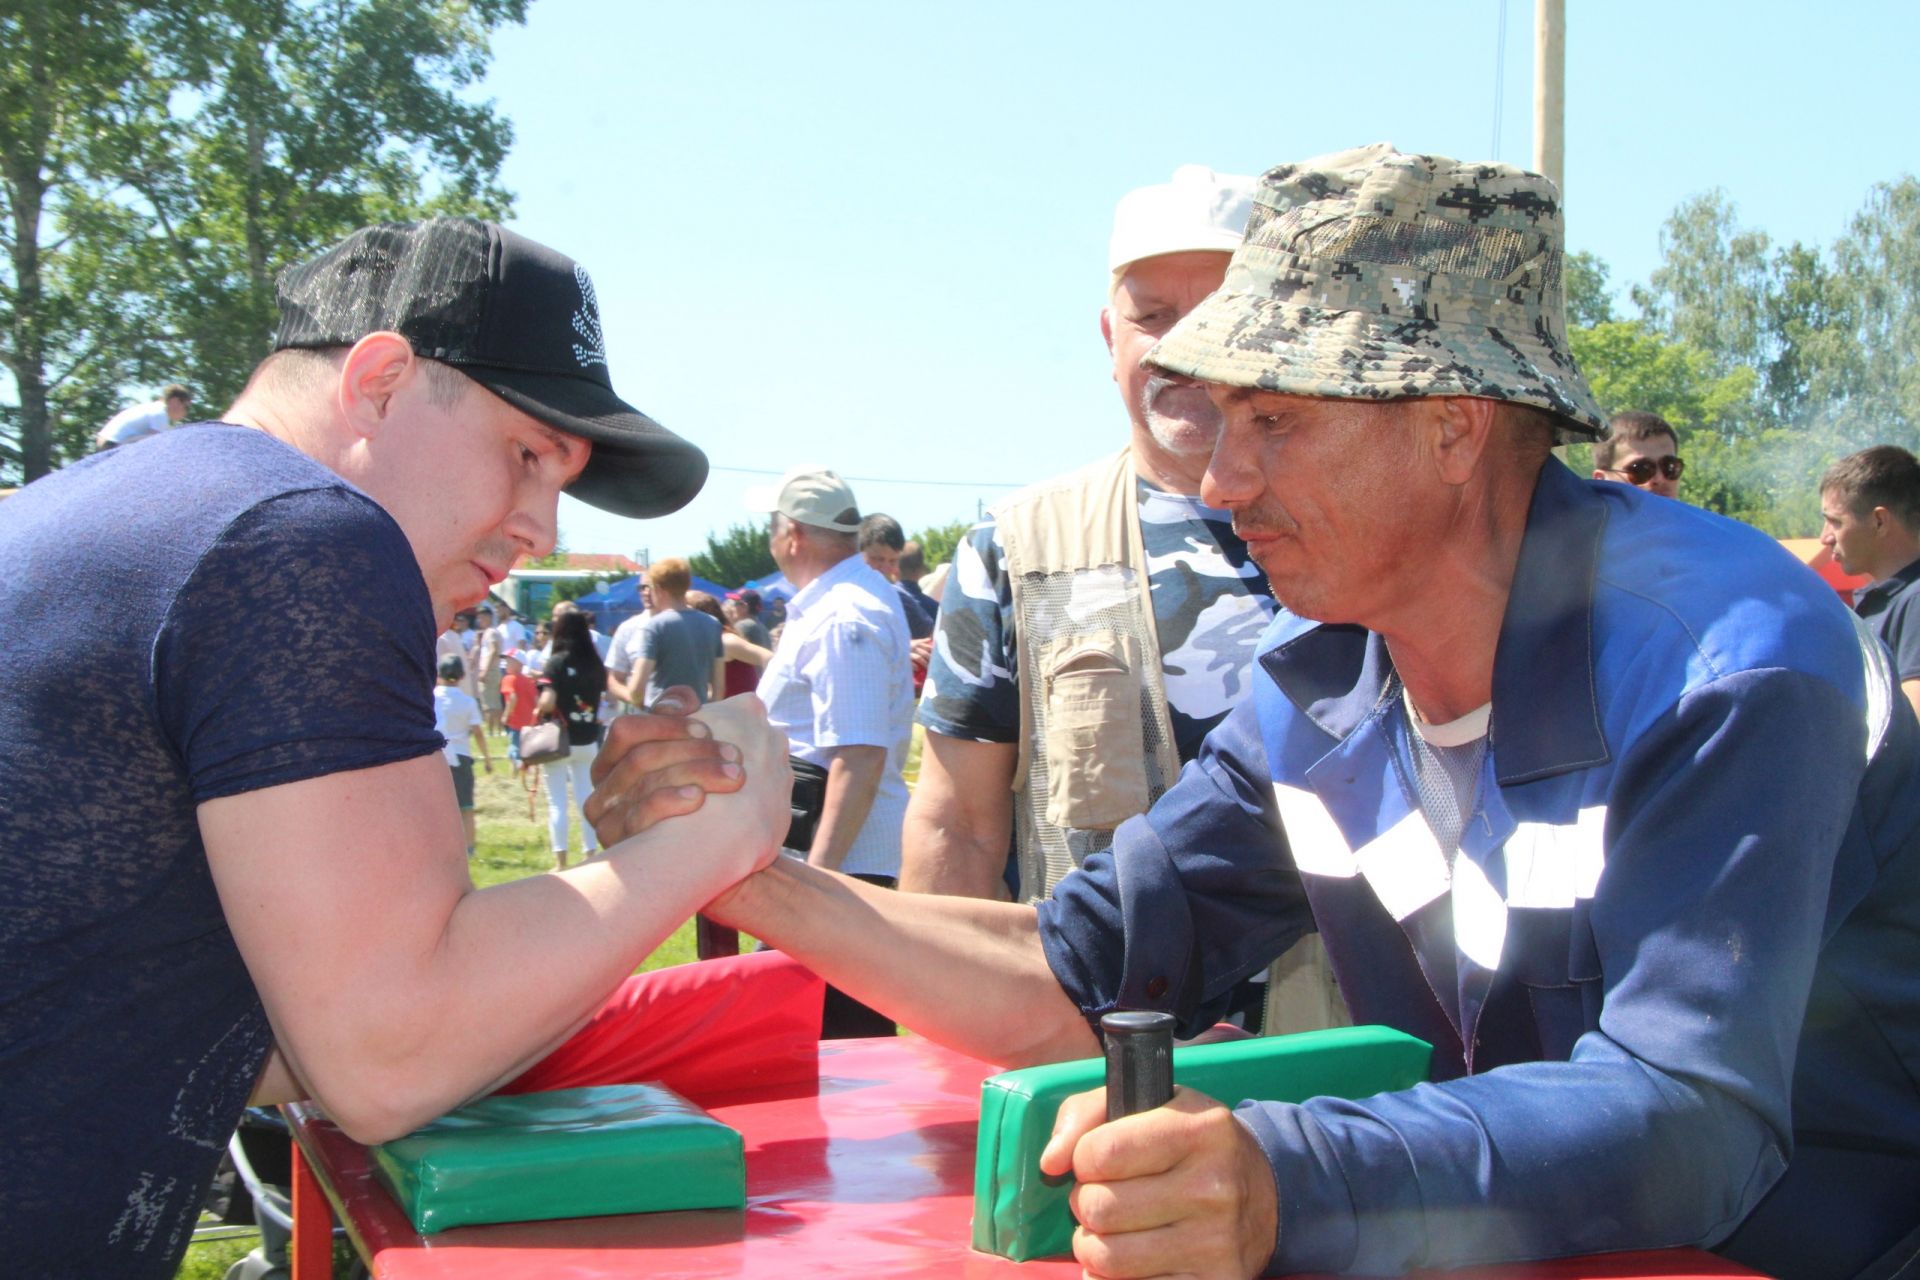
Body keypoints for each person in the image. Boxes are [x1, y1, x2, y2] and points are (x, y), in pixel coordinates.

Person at [597, 146, 1920, 1280]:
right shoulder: (1319, 689)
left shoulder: (1727, 668)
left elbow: (1693, 1117)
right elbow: (1075, 979)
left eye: (1276, 421)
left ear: (1456, 426)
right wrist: (751, 871)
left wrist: (1294, 1175)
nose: (1221, 479)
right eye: (1218, 419)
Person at [0, 215, 792, 1278]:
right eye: (525, 455)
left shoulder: (116, 507)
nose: (541, 530)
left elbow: (200, 1029)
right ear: (377, 379)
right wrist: (724, 828)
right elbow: (387, 1052)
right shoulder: (299, 532)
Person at [902, 164, 1337, 1035]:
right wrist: (939, 1053)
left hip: (1352, 1086)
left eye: (1218, 312)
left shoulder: (1375, 537)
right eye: (1153, 317)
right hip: (1101, 1081)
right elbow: (959, 829)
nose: (1183, 347)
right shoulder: (1016, 553)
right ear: (1110, 339)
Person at [746, 465, 914, 1038]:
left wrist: (813, 891)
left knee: (837, 1054)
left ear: (791, 533)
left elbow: (859, 757)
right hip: (835, 861)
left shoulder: (842, 615)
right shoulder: (840, 603)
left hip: (838, 866)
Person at [1821, 445, 1920, 717]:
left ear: (1879, 521)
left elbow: (1913, 730)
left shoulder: (1916, 601)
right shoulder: (1890, 601)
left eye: (1835, 522)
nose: (1825, 537)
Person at [538, 608, 611, 869]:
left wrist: (538, 707)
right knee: (585, 798)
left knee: (557, 801)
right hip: (588, 739)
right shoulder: (595, 664)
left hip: (559, 738)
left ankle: (561, 859)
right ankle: (590, 853)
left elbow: (547, 702)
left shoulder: (555, 662)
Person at [607, 557, 725, 708]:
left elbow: (636, 691)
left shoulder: (655, 626)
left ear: (659, 588)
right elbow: (719, 689)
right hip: (697, 719)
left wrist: (635, 700)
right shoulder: (712, 624)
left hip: (660, 720)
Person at [433, 653, 492, 856]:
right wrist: (487, 758)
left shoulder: (431, 698)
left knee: (439, 805)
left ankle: (441, 846)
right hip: (462, 755)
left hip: (437, 755)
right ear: (461, 676)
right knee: (466, 806)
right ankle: (469, 848)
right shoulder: (467, 702)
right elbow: (477, 732)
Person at [858, 512, 934, 638]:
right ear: (857, 553)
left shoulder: (901, 601)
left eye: (893, 561)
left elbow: (932, 641)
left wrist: (908, 648)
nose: (886, 568)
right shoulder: (834, 594)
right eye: (878, 559)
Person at [690, 589, 772, 697]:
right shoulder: (712, 641)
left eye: (735, 604)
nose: (731, 608)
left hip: (742, 709)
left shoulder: (728, 639)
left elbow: (771, 659)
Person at [1591, 410, 1684, 499]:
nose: (1659, 479)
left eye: (1669, 468)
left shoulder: (1696, 514)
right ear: (1601, 479)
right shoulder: (1581, 515)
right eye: (1641, 470)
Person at [93, 383, 191, 449]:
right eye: (186, 407)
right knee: (161, 440)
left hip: (104, 440)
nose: (185, 412)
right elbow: (157, 444)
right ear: (175, 401)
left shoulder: (152, 407)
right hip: (112, 444)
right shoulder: (160, 413)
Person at [499, 649, 538, 772]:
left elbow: (512, 697)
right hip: (530, 721)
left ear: (520, 664)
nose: (506, 663)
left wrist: (506, 715)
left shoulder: (509, 679)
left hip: (516, 721)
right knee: (526, 748)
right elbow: (536, 700)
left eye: (510, 661)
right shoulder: (529, 681)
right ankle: (523, 768)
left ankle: (519, 764)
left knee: (514, 748)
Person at [473, 604, 505, 732]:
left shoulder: (491, 632)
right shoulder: (493, 631)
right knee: (495, 702)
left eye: (482, 617)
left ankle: (490, 730)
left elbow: (493, 650)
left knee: (488, 704)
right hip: (494, 669)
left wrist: (485, 670)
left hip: (490, 670)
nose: (479, 620)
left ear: (489, 617)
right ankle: (498, 730)